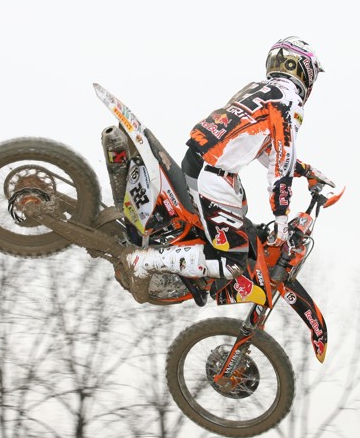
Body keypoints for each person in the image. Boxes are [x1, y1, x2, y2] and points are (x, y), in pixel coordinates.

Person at [124, 36, 334, 294]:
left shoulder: (257, 88)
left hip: (199, 156)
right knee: (233, 261)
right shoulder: (291, 102)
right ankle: (144, 262)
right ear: (305, 71)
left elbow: (261, 146)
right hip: (214, 173)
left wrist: (306, 171)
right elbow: (282, 160)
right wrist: (281, 216)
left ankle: (183, 255)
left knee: (241, 212)